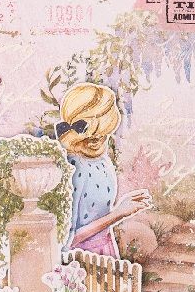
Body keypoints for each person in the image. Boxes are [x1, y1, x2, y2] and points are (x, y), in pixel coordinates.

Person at [56, 82, 151, 256]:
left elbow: (99, 216)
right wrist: (118, 213)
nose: (98, 141)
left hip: (106, 250)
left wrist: (122, 208)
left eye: (104, 133)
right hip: (81, 258)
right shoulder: (73, 167)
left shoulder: (103, 160)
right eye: (91, 134)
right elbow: (68, 241)